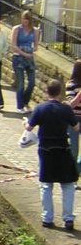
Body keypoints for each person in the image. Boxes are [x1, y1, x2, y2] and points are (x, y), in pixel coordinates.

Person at [25, 79, 81, 230]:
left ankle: (47, 219)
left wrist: (25, 123)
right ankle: (68, 219)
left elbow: (29, 128)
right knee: (68, 185)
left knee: (46, 185)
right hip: (63, 149)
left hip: (45, 150)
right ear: (60, 93)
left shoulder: (40, 108)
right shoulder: (65, 109)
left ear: (46, 92)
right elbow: (76, 128)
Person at [12, 10, 41, 114]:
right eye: (24, 19)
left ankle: (25, 102)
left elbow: (36, 46)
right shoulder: (16, 29)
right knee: (20, 83)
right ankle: (20, 106)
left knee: (32, 82)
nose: (25, 21)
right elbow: (14, 45)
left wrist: (30, 51)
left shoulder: (35, 31)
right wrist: (23, 52)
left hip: (29, 59)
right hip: (18, 57)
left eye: (27, 19)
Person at [65, 60, 81, 177]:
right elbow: (71, 104)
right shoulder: (71, 85)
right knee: (74, 149)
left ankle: (77, 171)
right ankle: (72, 177)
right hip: (74, 119)